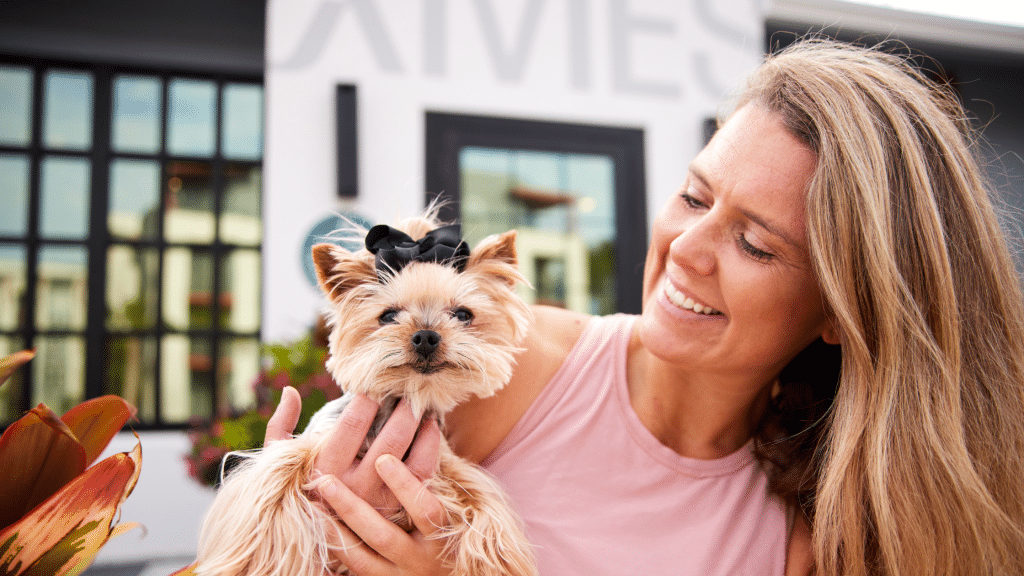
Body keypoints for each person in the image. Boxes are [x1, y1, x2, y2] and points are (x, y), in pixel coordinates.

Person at [263, 38, 1024, 576]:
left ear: (843, 310)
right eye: (694, 195)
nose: (687, 248)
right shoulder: (507, 371)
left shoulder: (821, 536)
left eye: (755, 245)